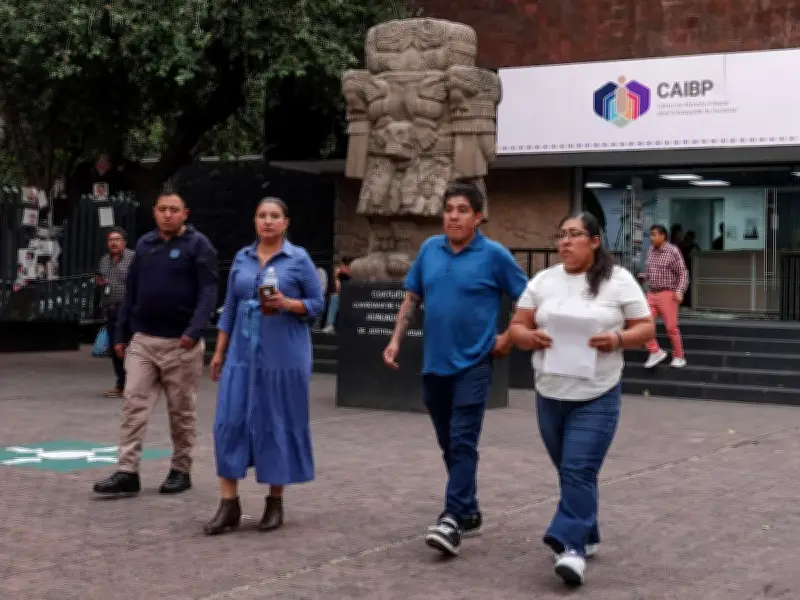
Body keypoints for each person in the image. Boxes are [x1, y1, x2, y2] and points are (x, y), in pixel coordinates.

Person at [382, 182, 528, 557]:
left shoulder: (494, 255)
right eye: (448, 209)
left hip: (475, 364)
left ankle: (451, 519)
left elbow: (528, 298)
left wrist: (507, 336)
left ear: (478, 217)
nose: (453, 216)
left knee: (463, 440)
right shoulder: (430, 249)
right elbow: (413, 296)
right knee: (449, 442)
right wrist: (396, 338)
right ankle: (470, 510)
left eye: (462, 210)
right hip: (435, 364)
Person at [509, 212, 654, 586]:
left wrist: (618, 339)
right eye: (561, 235)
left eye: (574, 235)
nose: (564, 242)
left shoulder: (618, 281)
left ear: (594, 241)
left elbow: (646, 327)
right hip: (549, 392)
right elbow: (517, 325)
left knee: (578, 469)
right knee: (570, 471)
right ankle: (588, 534)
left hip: (596, 394)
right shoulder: (543, 280)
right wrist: (528, 338)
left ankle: (570, 547)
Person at [203, 197, 324, 535]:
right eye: (262, 216)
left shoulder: (298, 260)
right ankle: (229, 503)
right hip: (242, 355)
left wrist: (287, 303)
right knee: (229, 421)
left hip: (284, 357)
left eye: (274, 216)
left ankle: (275, 501)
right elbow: (229, 307)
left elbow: (317, 304)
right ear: (254, 221)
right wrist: (219, 352)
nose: (268, 221)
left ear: (286, 222)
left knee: (277, 422)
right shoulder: (242, 258)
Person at [92, 189, 218, 497]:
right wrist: (122, 334)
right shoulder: (145, 246)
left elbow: (209, 291)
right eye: (162, 209)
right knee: (133, 404)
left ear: (185, 213)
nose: (168, 214)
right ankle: (127, 471)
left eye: (174, 209)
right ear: (154, 212)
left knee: (181, 410)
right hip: (144, 341)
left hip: (182, 343)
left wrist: (194, 331)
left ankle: (181, 469)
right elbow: (130, 293)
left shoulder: (199, 246)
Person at [638, 224, 689, 369]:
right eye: (650, 235)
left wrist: (679, 290)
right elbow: (651, 271)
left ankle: (679, 356)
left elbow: (683, 273)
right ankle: (655, 351)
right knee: (643, 323)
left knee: (671, 327)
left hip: (668, 293)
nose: (651, 238)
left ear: (663, 236)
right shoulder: (650, 251)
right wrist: (644, 277)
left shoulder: (673, 251)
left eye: (654, 235)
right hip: (651, 293)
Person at [96, 227, 135, 398]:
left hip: (128, 310)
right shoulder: (104, 261)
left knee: (130, 348)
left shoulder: (133, 258)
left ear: (124, 242)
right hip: (111, 309)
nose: (114, 242)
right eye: (111, 240)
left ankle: (133, 384)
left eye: (117, 239)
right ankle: (120, 384)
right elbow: (101, 280)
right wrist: (100, 283)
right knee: (115, 348)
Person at [321, 256, 353, 334]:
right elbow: (338, 289)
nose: (342, 267)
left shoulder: (356, 272)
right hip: (343, 296)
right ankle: (330, 325)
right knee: (334, 297)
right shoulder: (340, 273)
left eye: (343, 265)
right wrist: (337, 277)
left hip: (354, 297)